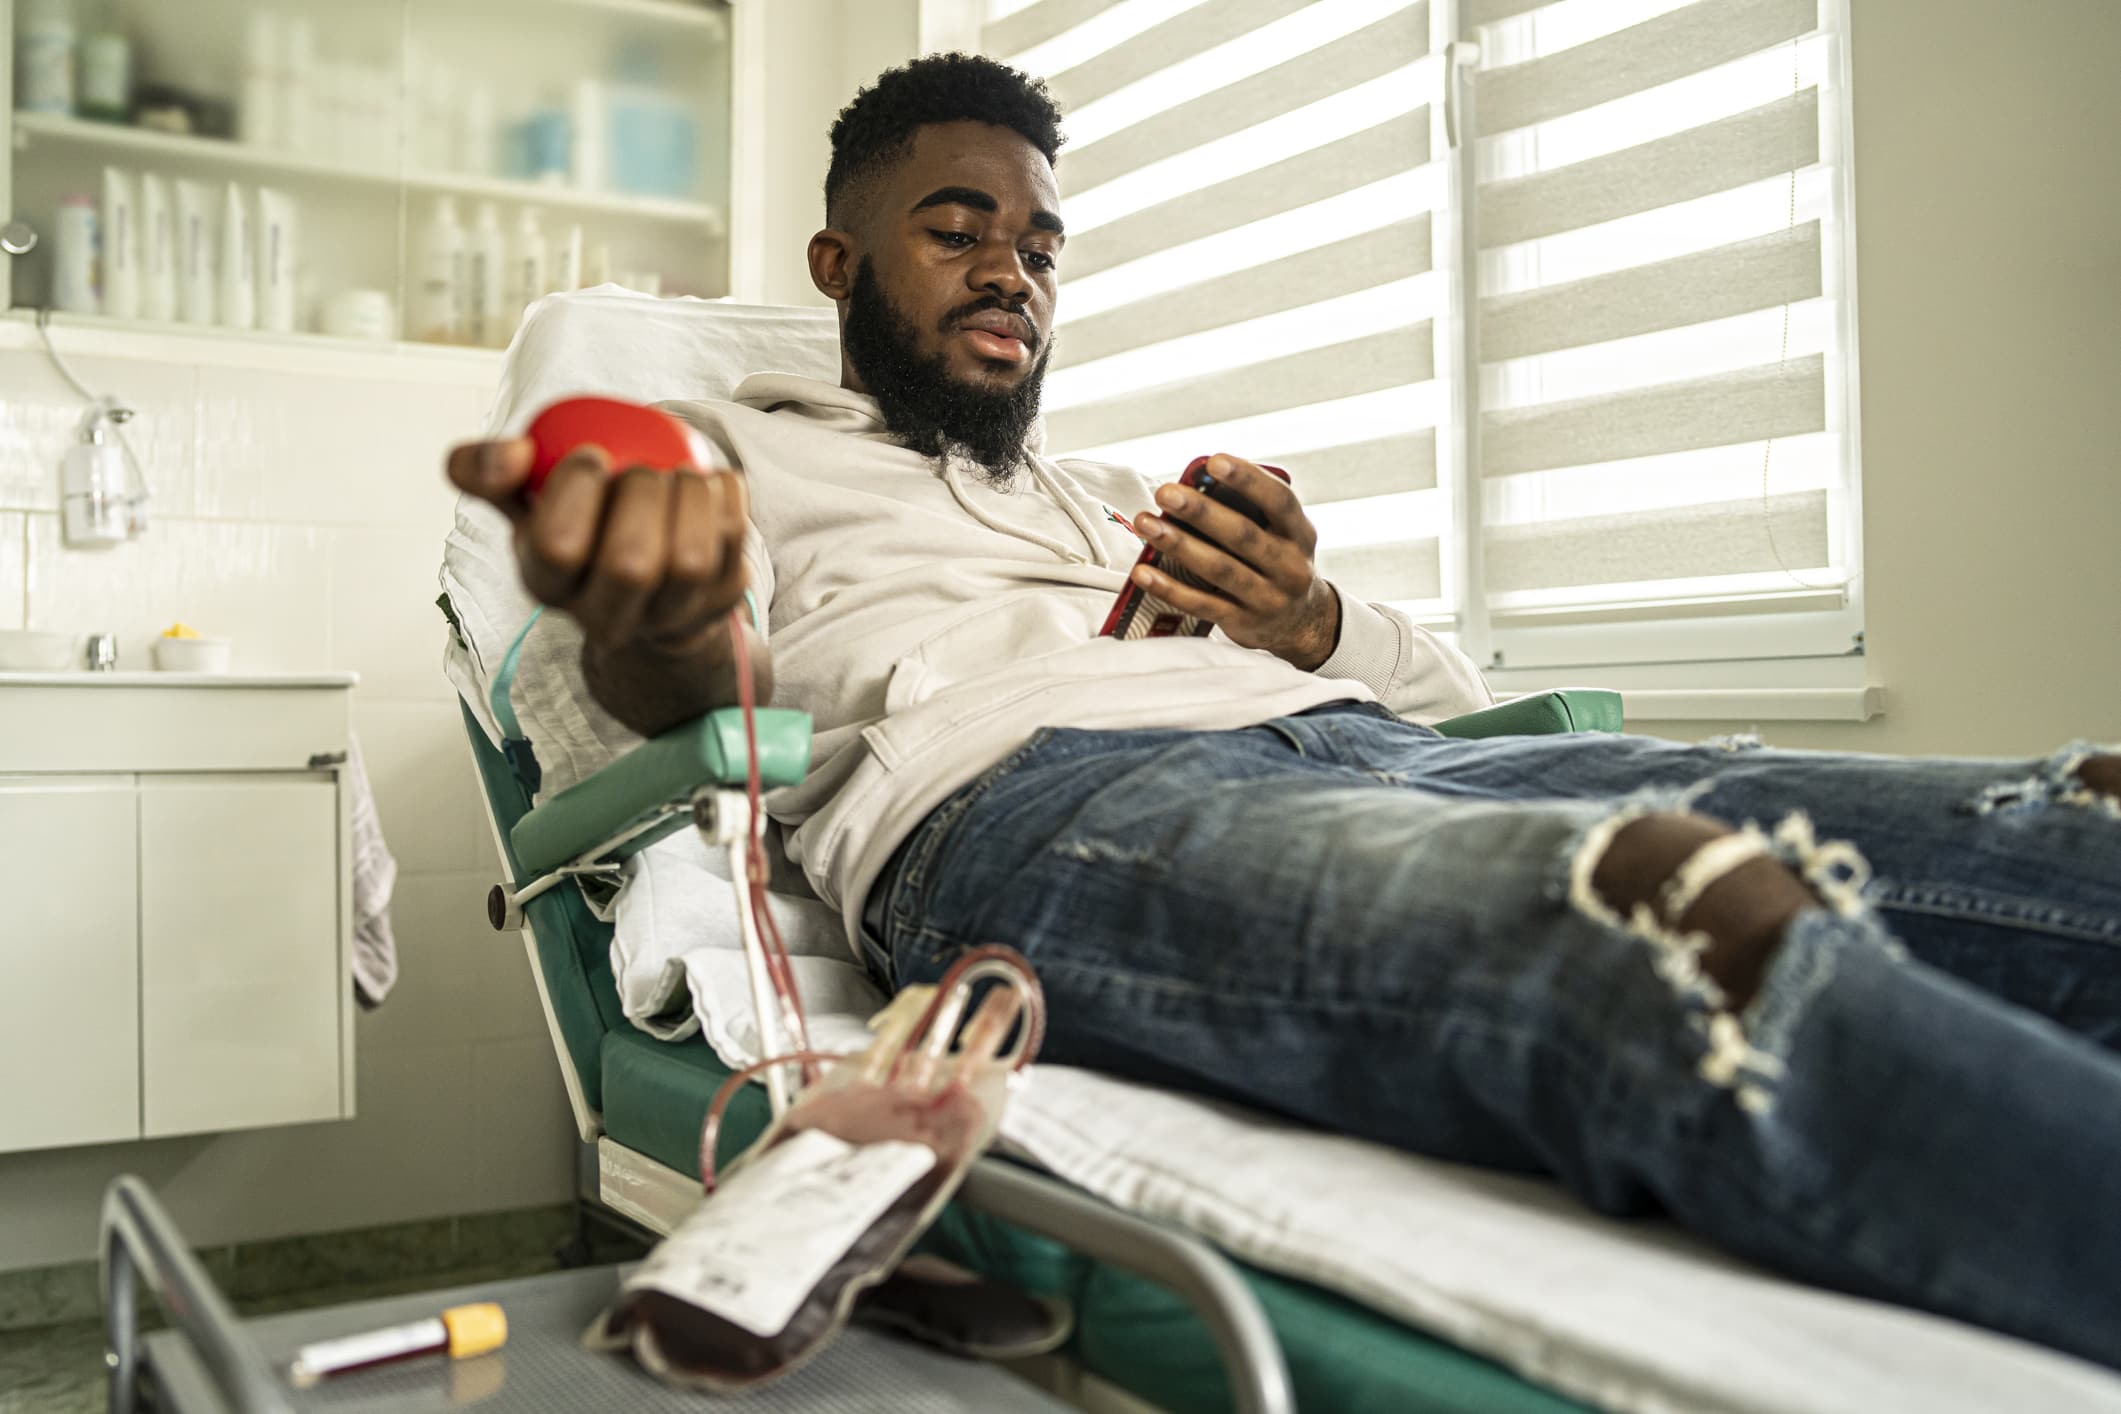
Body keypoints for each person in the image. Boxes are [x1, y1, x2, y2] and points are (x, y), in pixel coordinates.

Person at [448, 54, 2121, 1371]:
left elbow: (1451, 704)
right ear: (839, 262)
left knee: (2069, 821)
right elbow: (620, 720)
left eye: (1038, 243)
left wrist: (1302, 615)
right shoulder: (727, 457)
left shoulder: (1112, 492)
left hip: (1355, 753)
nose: (1009, 269)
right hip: (1037, 801)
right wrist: (656, 619)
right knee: (1667, 922)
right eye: (956, 226)